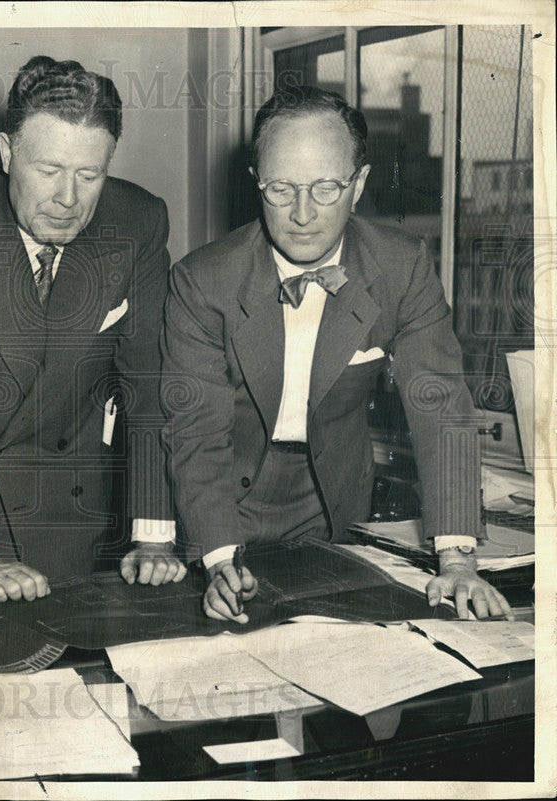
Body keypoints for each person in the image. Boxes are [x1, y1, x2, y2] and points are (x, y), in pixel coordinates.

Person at [161, 85, 513, 623]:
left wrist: (458, 560)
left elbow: (441, 407)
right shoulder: (202, 281)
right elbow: (198, 433)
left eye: (325, 188)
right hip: (221, 496)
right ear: (257, 183)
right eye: (281, 188)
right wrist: (218, 560)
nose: (302, 213)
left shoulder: (402, 266)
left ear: (360, 185)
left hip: (333, 500)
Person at [0, 56, 185, 603]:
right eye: (48, 171)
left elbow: (150, 381)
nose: (68, 199)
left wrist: (153, 534)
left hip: (80, 516)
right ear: (6, 154)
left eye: (89, 174)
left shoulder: (139, 220)